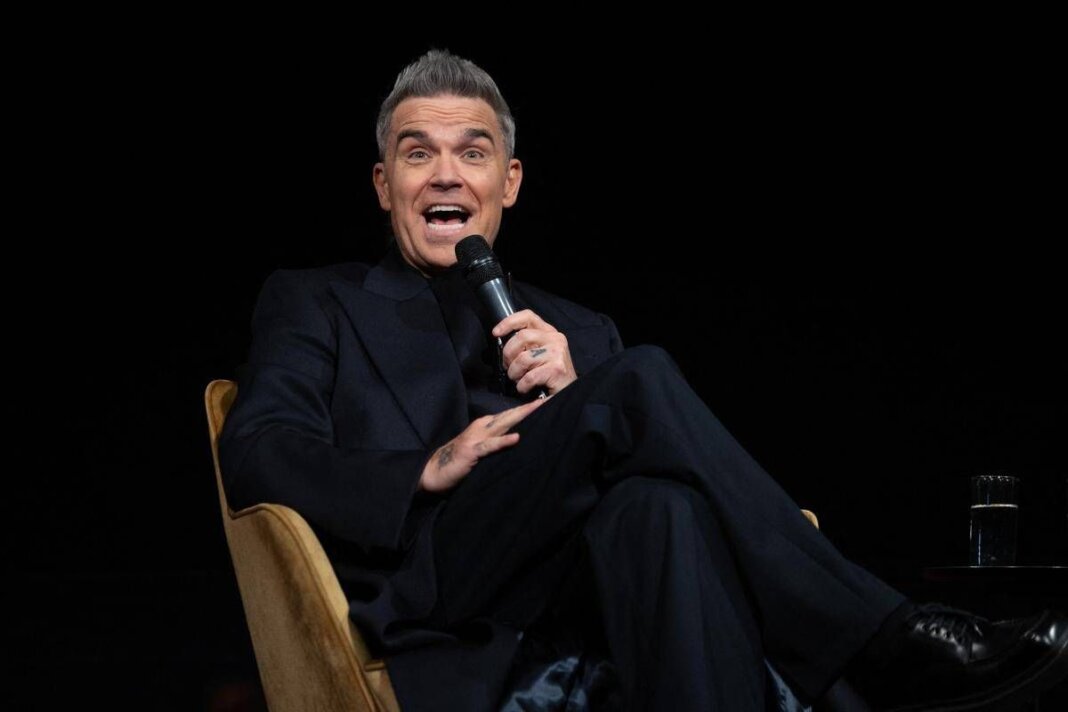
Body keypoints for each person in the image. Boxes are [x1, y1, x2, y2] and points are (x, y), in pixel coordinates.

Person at [218, 49, 1068, 711]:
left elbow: (641, 478)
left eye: (472, 153)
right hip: (437, 577)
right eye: (418, 154)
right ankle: (883, 641)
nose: (446, 173)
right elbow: (257, 451)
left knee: (662, 507)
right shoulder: (317, 301)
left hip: (586, 586)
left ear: (508, 183)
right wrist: (425, 468)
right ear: (384, 185)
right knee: (642, 380)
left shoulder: (580, 331)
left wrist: (573, 394)